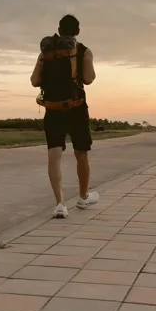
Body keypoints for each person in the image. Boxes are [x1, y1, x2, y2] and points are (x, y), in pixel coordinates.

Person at [30, 14, 99, 218]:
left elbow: (34, 81)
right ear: (77, 32)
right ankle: (83, 197)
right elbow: (88, 79)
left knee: (54, 156)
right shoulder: (84, 51)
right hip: (76, 108)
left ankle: (60, 204)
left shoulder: (45, 53)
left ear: (59, 30)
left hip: (53, 110)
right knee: (81, 153)